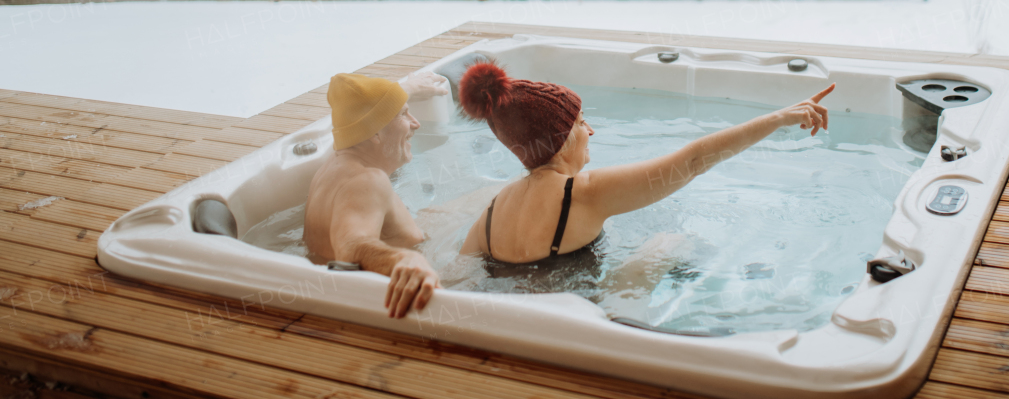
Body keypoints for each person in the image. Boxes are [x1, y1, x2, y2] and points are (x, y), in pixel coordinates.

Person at [458, 61, 833, 264]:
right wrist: (778, 118)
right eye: (581, 121)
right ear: (560, 139)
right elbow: (693, 161)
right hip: (583, 332)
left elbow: (458, 274)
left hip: (521, 327)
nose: (591, 130)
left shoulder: (492, 211)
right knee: (668, 242)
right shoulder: (583, 194)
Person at [304, 70, 449, 318]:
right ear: (375, 134)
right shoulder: (368, 181)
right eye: (404, 114)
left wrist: (407, 88)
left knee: (472, 203)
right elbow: (351, 246)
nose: (416, 123)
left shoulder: (334, 165)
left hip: (325, 293)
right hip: (392, 305)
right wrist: (404, 260)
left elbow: (359, 115)